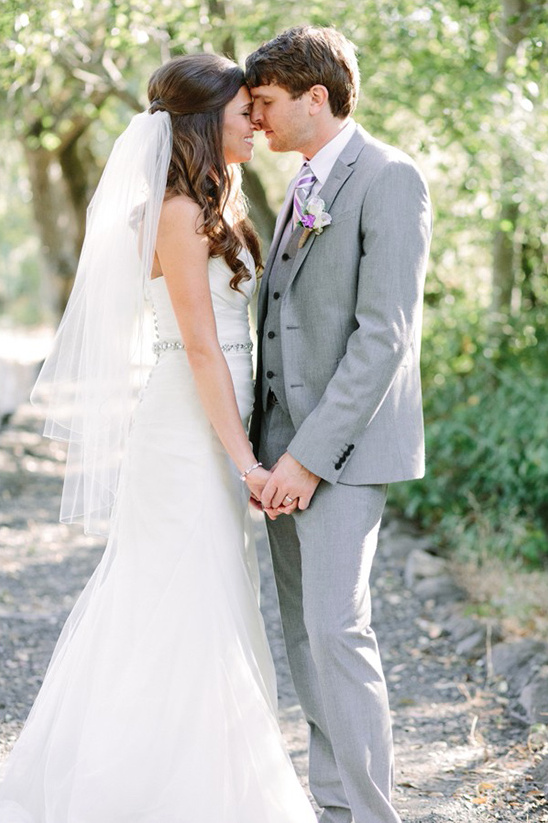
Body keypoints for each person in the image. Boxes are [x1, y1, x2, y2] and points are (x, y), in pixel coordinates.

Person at [0, 54, 317, 823]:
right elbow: (201, 347)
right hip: (184, 435)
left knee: (206, 595)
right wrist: (244, 459)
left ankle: (200, 777)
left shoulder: (217, 202)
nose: (255, 121)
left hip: (214, 430)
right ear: (208, 122)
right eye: (245, 110)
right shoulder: (175, 212)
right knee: (181, 599)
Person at [246, 26, 432, 823]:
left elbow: (383, 336)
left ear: (314, 98)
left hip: (340, 456)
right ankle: (334, 809)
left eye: (266, 103)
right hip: (282, 454)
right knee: (306, 645)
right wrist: (265, 452)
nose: (254, 119)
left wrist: (309, 458)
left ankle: (371, 814)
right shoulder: (301, 182)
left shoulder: (389, 177)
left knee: (336, 634)